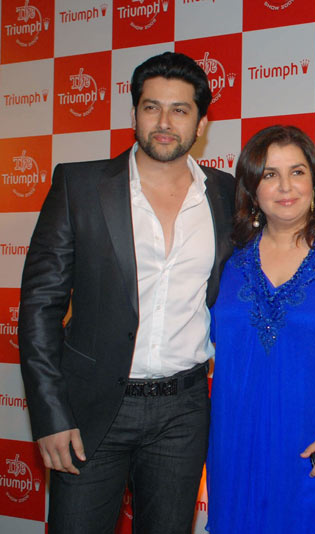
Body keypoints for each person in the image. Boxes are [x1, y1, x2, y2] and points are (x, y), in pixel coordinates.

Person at [18, 52, 235, 533]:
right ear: (134, 113)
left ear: (200, 122)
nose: (164, 122)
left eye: (179, 109)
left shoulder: (225, 194)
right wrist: (50, 414)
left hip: (183, 409)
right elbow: (39, 306)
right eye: (151, 107)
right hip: (91, 408)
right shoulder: (80, 185)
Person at [205, 125, 315, 533]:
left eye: (297, 172)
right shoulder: (227, 258)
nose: (285, 187)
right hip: (238, 444)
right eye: (269, 174)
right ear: (252, 187)